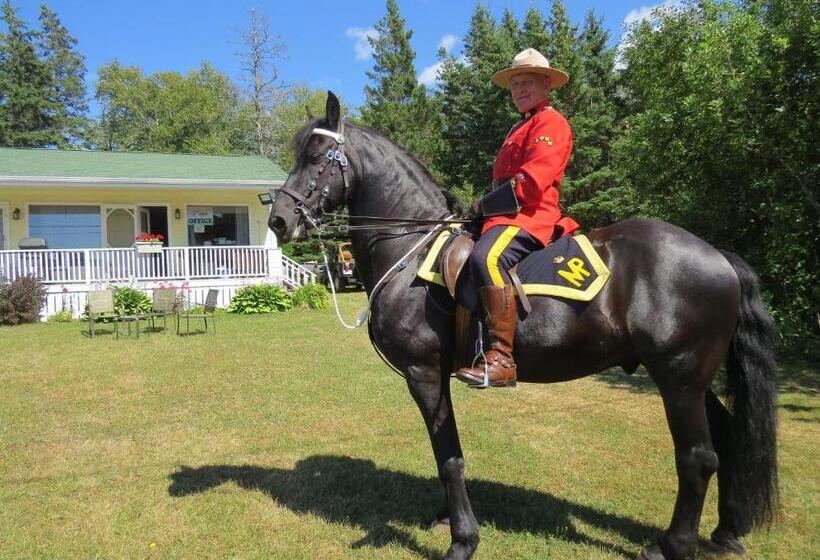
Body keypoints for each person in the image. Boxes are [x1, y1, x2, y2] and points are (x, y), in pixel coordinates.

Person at [455, 48, 579, 388]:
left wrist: (485, 205)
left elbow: (532, 180)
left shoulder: (550, 122)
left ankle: (502, 359)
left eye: (527, 82)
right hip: (504, 216)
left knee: (487, 257)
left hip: (530, 216)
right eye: (515, 85)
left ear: (546, 85)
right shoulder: (519, 126)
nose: (520, 90)